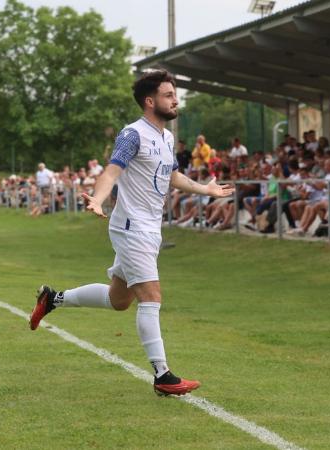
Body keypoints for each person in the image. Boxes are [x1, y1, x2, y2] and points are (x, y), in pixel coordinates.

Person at [29, 70, 234, 396]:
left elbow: (173, 178)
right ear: (150, 101)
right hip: (131, 229)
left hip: (149, 230)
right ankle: (162, 375)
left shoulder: (167, 139)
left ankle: (52, 299)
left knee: (118, 300)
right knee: (151, 298)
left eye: (175, 94)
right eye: (169, 95)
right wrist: (96, 199)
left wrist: (206, 190)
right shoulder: (132, 134)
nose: (175, 99)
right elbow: (111, 172)